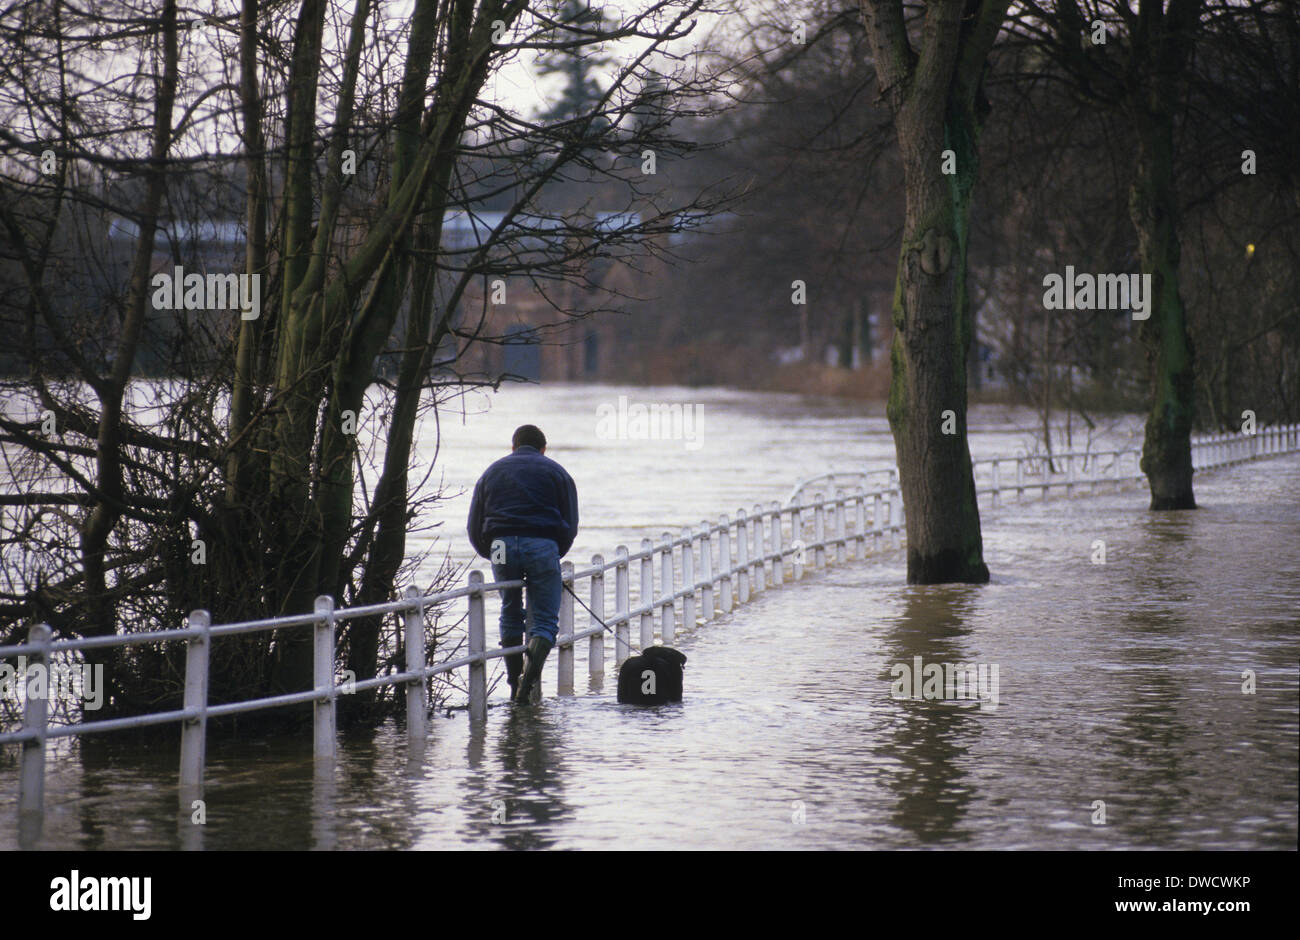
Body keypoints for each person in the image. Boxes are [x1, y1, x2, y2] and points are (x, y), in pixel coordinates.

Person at [467, 424, 578, 704]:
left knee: (509, 610)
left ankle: (513, 679)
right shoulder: (557, 472)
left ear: (513, 447)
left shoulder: (492, 472)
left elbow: (474, 523)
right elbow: (571, 522)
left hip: (501, 545)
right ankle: (527, 683)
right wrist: (556, 552)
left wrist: (488, 551)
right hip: (542, 544)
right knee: (544, 620)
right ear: (543, 449)